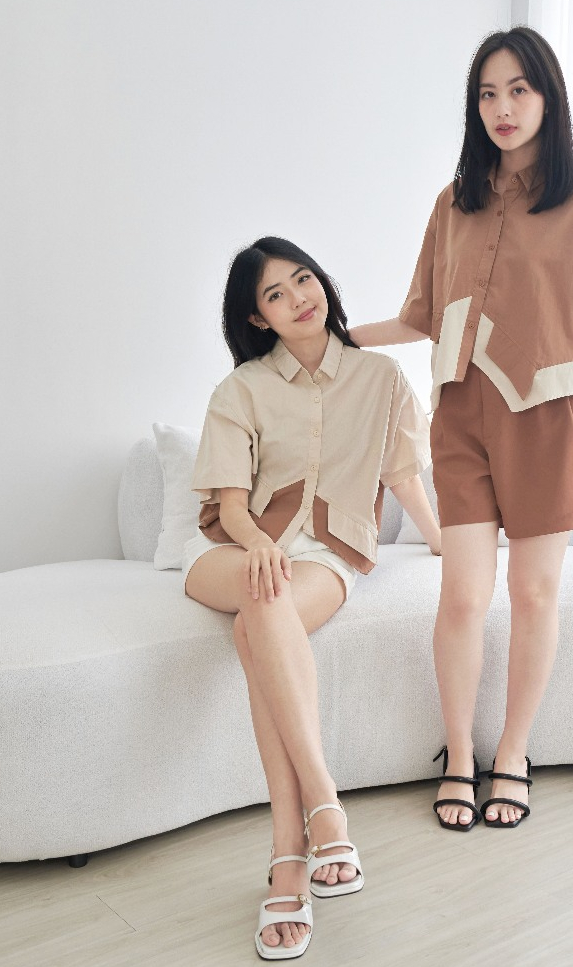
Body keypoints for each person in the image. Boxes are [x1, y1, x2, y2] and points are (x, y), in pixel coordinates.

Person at [352, 26, 573, 832]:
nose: (502, 107)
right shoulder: (452, 205)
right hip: (460, 417)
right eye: (487, 93)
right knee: (461, 594)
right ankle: (457, 753)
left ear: (548, 98)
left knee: (533, 591)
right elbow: (420, 316)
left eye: (518, 89)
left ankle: (512, 752)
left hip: (551, 421)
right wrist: (339, 338)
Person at [184, 236, 439, 959]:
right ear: (256, 317)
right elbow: (233, 506)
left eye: (303, 279)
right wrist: (257, 546)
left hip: (327, 555)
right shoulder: (241, 389)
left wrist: (439, 540)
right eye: (275, 293)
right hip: (235, 551)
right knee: (262, 593)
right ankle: (326, 806)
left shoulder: (381, 376)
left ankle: (287, 857)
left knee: (258, 622)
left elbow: (402, 472)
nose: (298, 297)